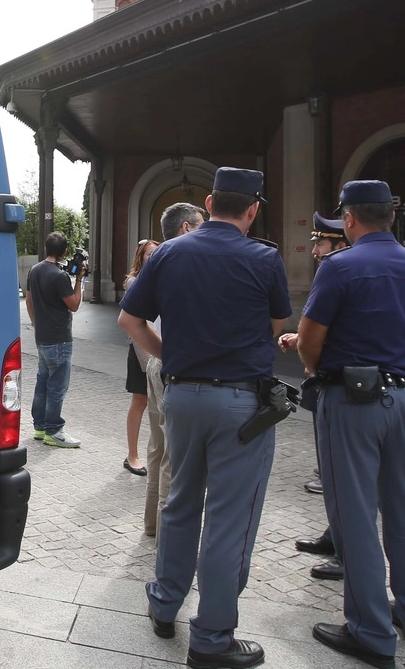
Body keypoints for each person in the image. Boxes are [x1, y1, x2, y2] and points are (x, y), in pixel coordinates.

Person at [119, 168, 290, 669]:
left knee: (180, 500)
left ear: (211, 201)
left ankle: (164, 602)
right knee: (229, 518)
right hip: (240, 401)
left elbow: (129, 320)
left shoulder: (169, 252)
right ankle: (212, 637)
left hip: (182, 396)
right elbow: (275, 325)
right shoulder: (265, 258)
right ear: (253, 209)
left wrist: (168, 354)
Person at [294, 180, 405, 669]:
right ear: (391, 217)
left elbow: (310, 340)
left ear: (349, 220)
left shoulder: (339, 266)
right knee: (403, 509)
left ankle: (370, 631)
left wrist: (315, 372)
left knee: (354, 514)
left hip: (352, 399)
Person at [280, 211, 349, 582]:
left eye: (320, 243)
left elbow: (315, 334)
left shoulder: (336, 269)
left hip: (341, 385)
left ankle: (345, 551)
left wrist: (306, 352)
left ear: (340, 242)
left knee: (343, 474)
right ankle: (334, 535)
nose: (315, 251)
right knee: (335, 472)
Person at [137, 202, 205, 537]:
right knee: (172, 456)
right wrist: (170, 353)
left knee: (157, 447)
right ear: (187, 228)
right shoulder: (183, 259)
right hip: (171, 366)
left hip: (158, 363)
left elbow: (129, 318)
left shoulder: (160, 260)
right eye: (202, 223)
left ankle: (152, 524)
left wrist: (159, 353)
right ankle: (167, 535)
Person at [25, 231, 85, 448]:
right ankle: (54, 431)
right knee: (57, 387)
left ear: (46, 249)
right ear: (65, 252)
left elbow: (29, 301)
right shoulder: (59, 276)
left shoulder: (35, 270)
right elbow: (74, 305)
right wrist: (78, 280)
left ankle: (39, 427)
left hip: (41, 337)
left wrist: (35, 324)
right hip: (59, 339)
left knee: (42, 384)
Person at [122, 238, 160, 476]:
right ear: (140, 257)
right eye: (149, 254)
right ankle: (132, 455)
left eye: (157, 253)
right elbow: (137, 324)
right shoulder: (135, 281)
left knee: (158, 405)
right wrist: (148, 361)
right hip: (143, 352)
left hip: (160, 350)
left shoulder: (161, 279)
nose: (153, 257)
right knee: (140, 401)